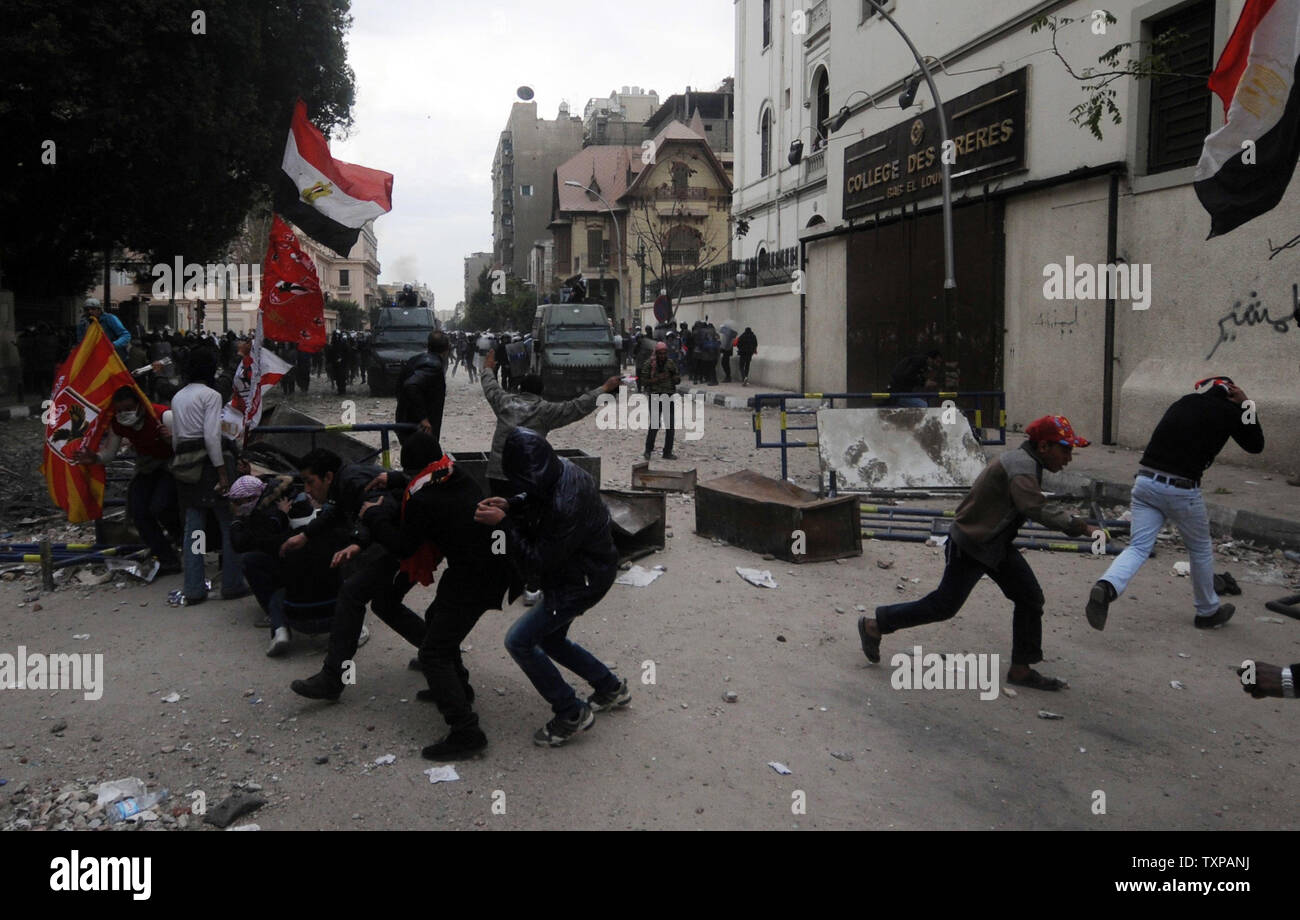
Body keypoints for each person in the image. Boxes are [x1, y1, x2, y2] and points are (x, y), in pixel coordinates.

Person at [857, 415, 1103, 691]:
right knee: (944, 606)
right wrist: (1082, 527)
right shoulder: (1022, 467)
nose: (1069, 458)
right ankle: (875, 624)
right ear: (1044, 446)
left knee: (1030, 598)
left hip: (992, 544)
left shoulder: (1026, 462)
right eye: (1065, 449)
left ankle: (1021, 668)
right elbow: (1035, 507)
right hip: (974, 545)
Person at [358, 433, 514, 759]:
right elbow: (423, 482)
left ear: (412, 468)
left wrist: (374, 516)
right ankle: (461, 688)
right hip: (483, 567)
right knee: (434, 621)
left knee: (433, 653)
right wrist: (398, 479)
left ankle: (466, 732)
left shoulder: (423, 499)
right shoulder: (455, 471)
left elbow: (403, 545)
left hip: (474, 575)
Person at [475, 429, 629, 746]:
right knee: (552, 638)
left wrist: (503, 524)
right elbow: (536, 494)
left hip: (580, 581)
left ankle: (571, 712)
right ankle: (610, 687)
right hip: (587, 570)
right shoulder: (558, 466)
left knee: (519, 641)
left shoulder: (565, 504)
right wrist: (512, 504)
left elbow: (538, 562)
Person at [1085, 376, 1264, 632]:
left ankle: (1107, 586)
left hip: (1145, 482)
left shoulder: (1185, 402)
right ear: (1231, 391)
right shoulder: (1229, 411)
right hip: (1181, 489)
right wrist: (1247, 404)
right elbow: (1256, 445)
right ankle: (1207, 611)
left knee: (1138, 547)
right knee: (1200, 548)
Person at [288, 448, 428, 701]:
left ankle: (332, 679)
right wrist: (306, 534)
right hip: (407, 541)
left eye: (310, 482)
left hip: (410, 543)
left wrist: (358, 542)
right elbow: (336, 512)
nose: (307, 490)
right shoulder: (345, 481)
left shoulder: (353, 480)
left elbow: (379, 507)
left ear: (328, 476)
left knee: (353, 594)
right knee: (385, 604)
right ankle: (437, 653)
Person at [167, 349, 249, 605]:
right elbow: (212, 436)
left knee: (193, 529)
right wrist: (223, 472)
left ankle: (193, 587)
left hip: (184, 467)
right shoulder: (211, 396)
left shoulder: (178, 397)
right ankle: (233, 583)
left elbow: (176, 438)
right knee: (228, 523)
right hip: (209, 466)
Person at [481, 348, 620, 496]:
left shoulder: (504, 403)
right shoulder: (546, 411)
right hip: (528, 475)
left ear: (521, 389)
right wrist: (604, 388)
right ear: (542, 391)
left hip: (498, 474)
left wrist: (488, 368)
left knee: (497, 513)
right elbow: (577, 406)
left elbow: (490, 386)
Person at [74, 386, 181, 576]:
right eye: (120, 410)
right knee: (138, 511)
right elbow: (109, 452)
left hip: (171, 466)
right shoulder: (118, 423)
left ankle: (184, 541)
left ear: (140, 405)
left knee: (161, 507)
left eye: (128, 408)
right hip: (146, 467)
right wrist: (95, 458)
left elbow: (184, 446)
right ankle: (167, 558)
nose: (124, 414)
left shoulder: (163, 416)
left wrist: (170, 440)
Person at [395, 331, 449, 446]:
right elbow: (411, 385)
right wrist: (423, 418)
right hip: (419, 430)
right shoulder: (433, 365)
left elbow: (399, 387)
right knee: (424, 461)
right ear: (446, 350)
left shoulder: (414, 360)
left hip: (405, 424)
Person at [640, 341, 680, 460]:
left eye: (664, 353)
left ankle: (667, 452)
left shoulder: (670, 363)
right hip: (655, 396)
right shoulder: (649, 364)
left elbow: (677, 379)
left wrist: (674, 378)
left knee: (670, 425)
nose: (662, 356)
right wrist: (657, 379)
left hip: (668, 396)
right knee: (655, 425)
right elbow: (643, 381)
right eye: (660, 353)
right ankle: (648, 450)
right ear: (656, 353)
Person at [77, 299, 131, 363]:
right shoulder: (82, 324)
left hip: (113, 357)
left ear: (99, 310)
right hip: (94, 359)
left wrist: (112, 345)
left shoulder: (109, 318)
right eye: (87, 309)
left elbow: (126, 335)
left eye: (93, 309)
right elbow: (81, 342)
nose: (90, 311)